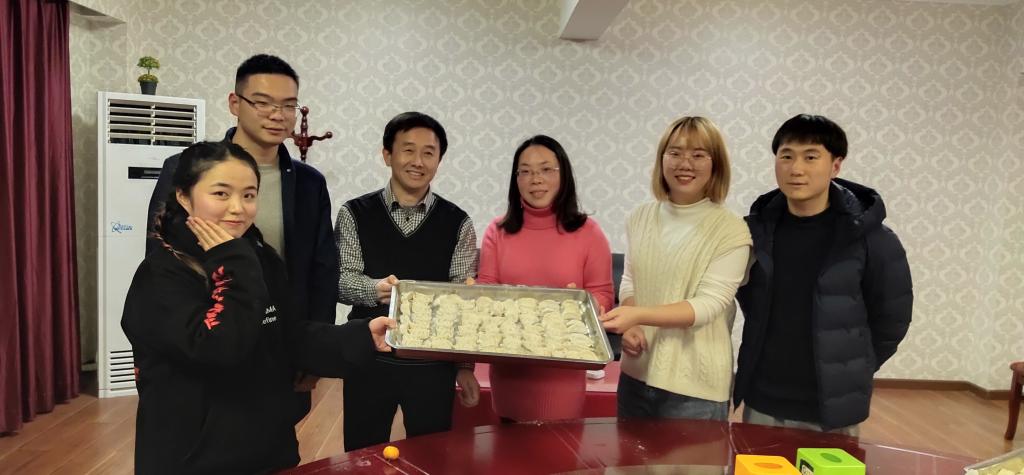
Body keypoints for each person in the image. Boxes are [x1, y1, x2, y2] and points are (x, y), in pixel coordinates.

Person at [123, 141, 392, 474]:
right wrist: (237, 265)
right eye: (221, 194)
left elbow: (287, 335)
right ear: (183, 196)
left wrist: (360, 336)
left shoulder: (259, 257)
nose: (238, 208)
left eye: (249, 195)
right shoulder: (162, 274)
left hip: (268, 449)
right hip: (192, 459)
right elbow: (218, 348)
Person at [146, 54, 338, 421]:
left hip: (280, 339)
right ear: (235, 103)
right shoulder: (186, 168)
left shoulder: (309, 182)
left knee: (276, 437)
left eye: (288, 105)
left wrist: (316, 352)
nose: (277, 115)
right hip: (207, 337)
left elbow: (323, 268)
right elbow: (161, 252)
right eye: (263, 103)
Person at [734, 114, 912, 434]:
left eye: (811, 157)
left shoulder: (872, 239)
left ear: (836, 165)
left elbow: (892, 319)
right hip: (763, 397)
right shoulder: (756, 233)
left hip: (831, 405)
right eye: (786, 156)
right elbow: (749, 300)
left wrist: (852, 367)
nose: (796, 168)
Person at [334, 111, 480, 451]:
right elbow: (341, 282)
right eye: (408, 150)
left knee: (431, 457)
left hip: (432, 365)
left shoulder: (458, 222)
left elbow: (464, 300)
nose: (418, 161)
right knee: (361, 455)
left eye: (429, 152)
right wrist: (376, 290)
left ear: (439, 160)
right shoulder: (354, 213)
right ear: (387, 155)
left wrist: (464, 366)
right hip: (368, 356)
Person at [600, 116, 751, 421]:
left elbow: (708, 305)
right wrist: (632, 325)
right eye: (675, 152)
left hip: (695, 390)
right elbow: (630, 281)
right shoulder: (640, 217)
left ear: (716, 164)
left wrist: (638, 316)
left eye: (698, 154)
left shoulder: (732, 230)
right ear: (662, 159)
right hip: (635, 375)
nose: (685, 163)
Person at [474, 135, 613, 422]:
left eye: (546, 169)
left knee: (559, 447)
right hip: (509, 372)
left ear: (564, 174)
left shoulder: (589, 232)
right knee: (506, 445)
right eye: (525, 171)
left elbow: (603, 296)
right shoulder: (497, 231)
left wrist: (580, 304)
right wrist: (475, 294)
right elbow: (487, 291)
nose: (535, 179)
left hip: (563, 375)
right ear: (516, 180)